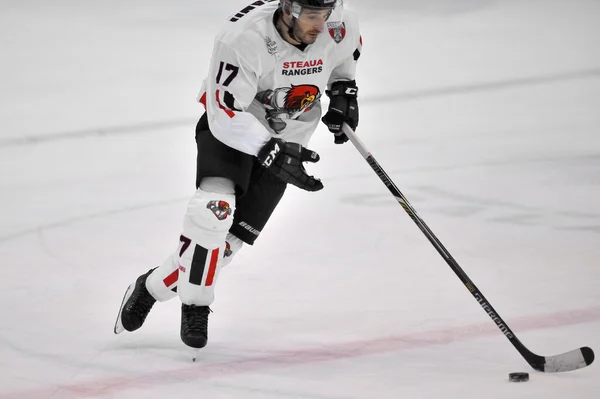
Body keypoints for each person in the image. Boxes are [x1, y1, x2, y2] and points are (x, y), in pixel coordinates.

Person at [114, 0, 362, 350]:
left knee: (226, 246)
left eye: (325, 14)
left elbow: (344, 59)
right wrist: (269, 148)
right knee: (212, 212)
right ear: (288, 9)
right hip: (234, 127)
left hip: (290, 137)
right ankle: (196, 304)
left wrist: (343, 93)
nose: (320, 25)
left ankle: (150, 288)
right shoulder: (242, 39)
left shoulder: (339, 21)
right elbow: (224, 113)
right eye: (311, 16)